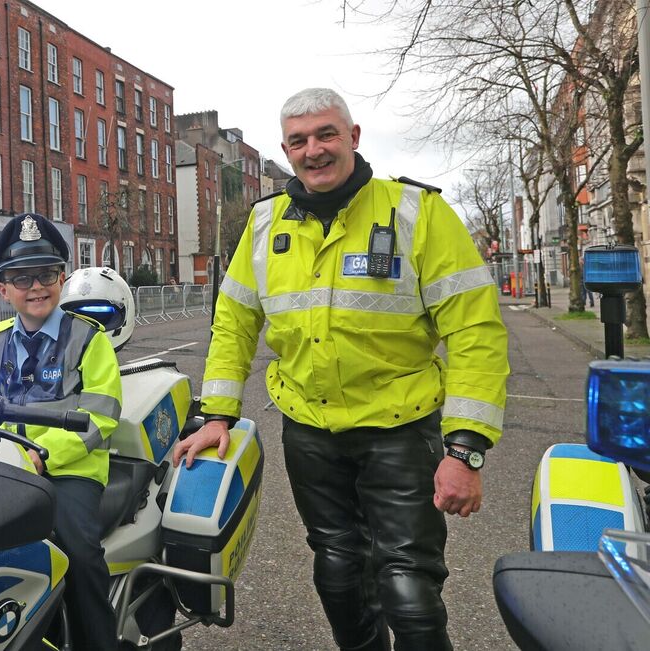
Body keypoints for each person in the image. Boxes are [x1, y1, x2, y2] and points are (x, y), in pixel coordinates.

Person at [172, 88, 509, 651]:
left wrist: (465, 449)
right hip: (311, 431)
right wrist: (216, 414)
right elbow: (233, 326)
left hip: (400, 428)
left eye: (326, 134)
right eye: (299, 140)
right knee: (337, 575)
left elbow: (474, 332)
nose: (314, 150)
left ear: (352, 138)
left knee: (409, 589)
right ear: (286, 148)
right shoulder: (263, 226)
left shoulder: (417, 213)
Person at [0, 212, 123, 650]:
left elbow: (102, 413)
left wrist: (42, 454)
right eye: (22, 278)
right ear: (2, 289)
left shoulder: (88, 337)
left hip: (71, 470)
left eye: (45, 274)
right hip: (7, 467)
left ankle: (99, 642)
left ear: (62, 278)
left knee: (78, 552)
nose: (36, 286)